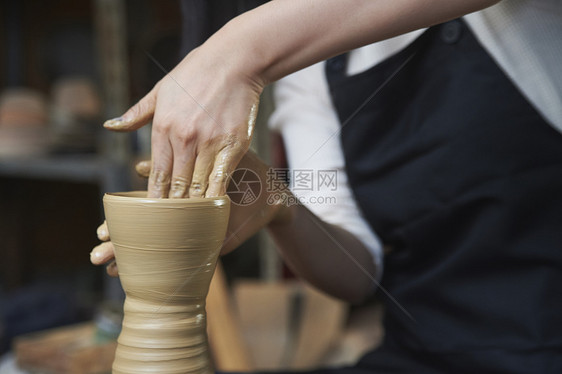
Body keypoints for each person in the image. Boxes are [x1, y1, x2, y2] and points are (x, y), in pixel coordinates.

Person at [91, 0, 562, 372]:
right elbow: (357, 273)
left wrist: (234, 52)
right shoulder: (312, 68)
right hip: (423, 355)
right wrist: (276, 203)